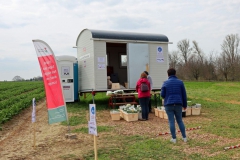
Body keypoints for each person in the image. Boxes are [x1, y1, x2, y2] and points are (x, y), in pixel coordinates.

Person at [160, 68, 187, 143]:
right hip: (178, 103)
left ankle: (174, 138)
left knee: (171, 121)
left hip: (169, 104)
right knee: (180, 121)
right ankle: (184, 137)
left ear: (168, 74)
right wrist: (185, 104)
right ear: (175, 74)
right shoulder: (180, 82)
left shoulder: (165, 83)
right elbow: (184, 94)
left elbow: (162, 95)